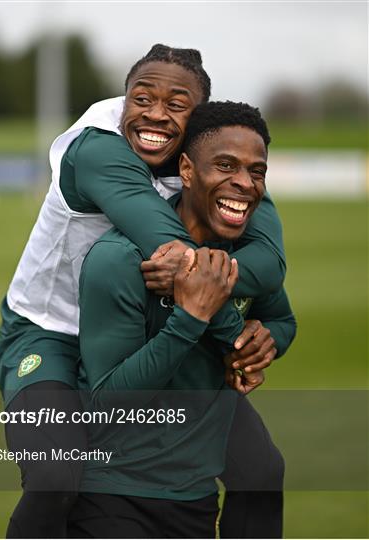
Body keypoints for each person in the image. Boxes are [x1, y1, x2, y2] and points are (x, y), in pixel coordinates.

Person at [0, 45, 287, 538]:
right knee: (54, 474)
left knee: (259, 473)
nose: (155, 114)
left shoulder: (212, 154)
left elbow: (269, 258)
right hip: (53, 333)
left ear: (197, 121)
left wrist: (245, 340)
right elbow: (174, 253)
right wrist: (236, 339)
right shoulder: (97, 146)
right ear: (126, 97)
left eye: (176, 105)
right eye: (142, 98)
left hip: (140, 334)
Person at [70, 100, 296, 538]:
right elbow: (106, 407)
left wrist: (264, 341)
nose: (244, 184)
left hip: (192, 494)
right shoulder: (121, 260)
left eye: (256, 172)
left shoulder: (242, 255)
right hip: (116, 495)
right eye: (226, 165)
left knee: (264, 471)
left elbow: (282, 320)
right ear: (188, 170)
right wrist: (191, 316)